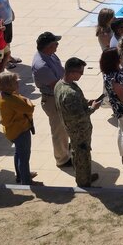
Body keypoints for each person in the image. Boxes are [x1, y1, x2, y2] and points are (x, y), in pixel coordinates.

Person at [55, 56, 102, 188]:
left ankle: (84, 176)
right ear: (71, 72)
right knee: (82, 155)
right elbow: (79, 116)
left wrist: (86, 102)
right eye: (80, 72)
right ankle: (84, 183)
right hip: (79, 130)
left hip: (71, 127)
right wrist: (92, 108)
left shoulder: (60, 84)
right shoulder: (70, 93)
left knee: (80, 154)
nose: (81, 75)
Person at [32, 31, 72, 168]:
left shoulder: (50, 54)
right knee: (58, 130)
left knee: (65, 126)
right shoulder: (41, 65)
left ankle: (67, 148)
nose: (58, 45)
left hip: (59, 95)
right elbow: (56, 84)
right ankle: (62, 159)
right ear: (48, 47)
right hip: (52, 99)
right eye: (55, 43)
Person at [0, 70, 36, 185]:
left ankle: (21, 175)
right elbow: (29, 108)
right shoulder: (11, 99)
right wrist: (27, 99)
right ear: (8, 85)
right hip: (20, 130)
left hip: (12, 131)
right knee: (24, 157)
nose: (18, 83)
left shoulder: (3, 95)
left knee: (18, 153)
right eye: (15, 82)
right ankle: (26, 181)